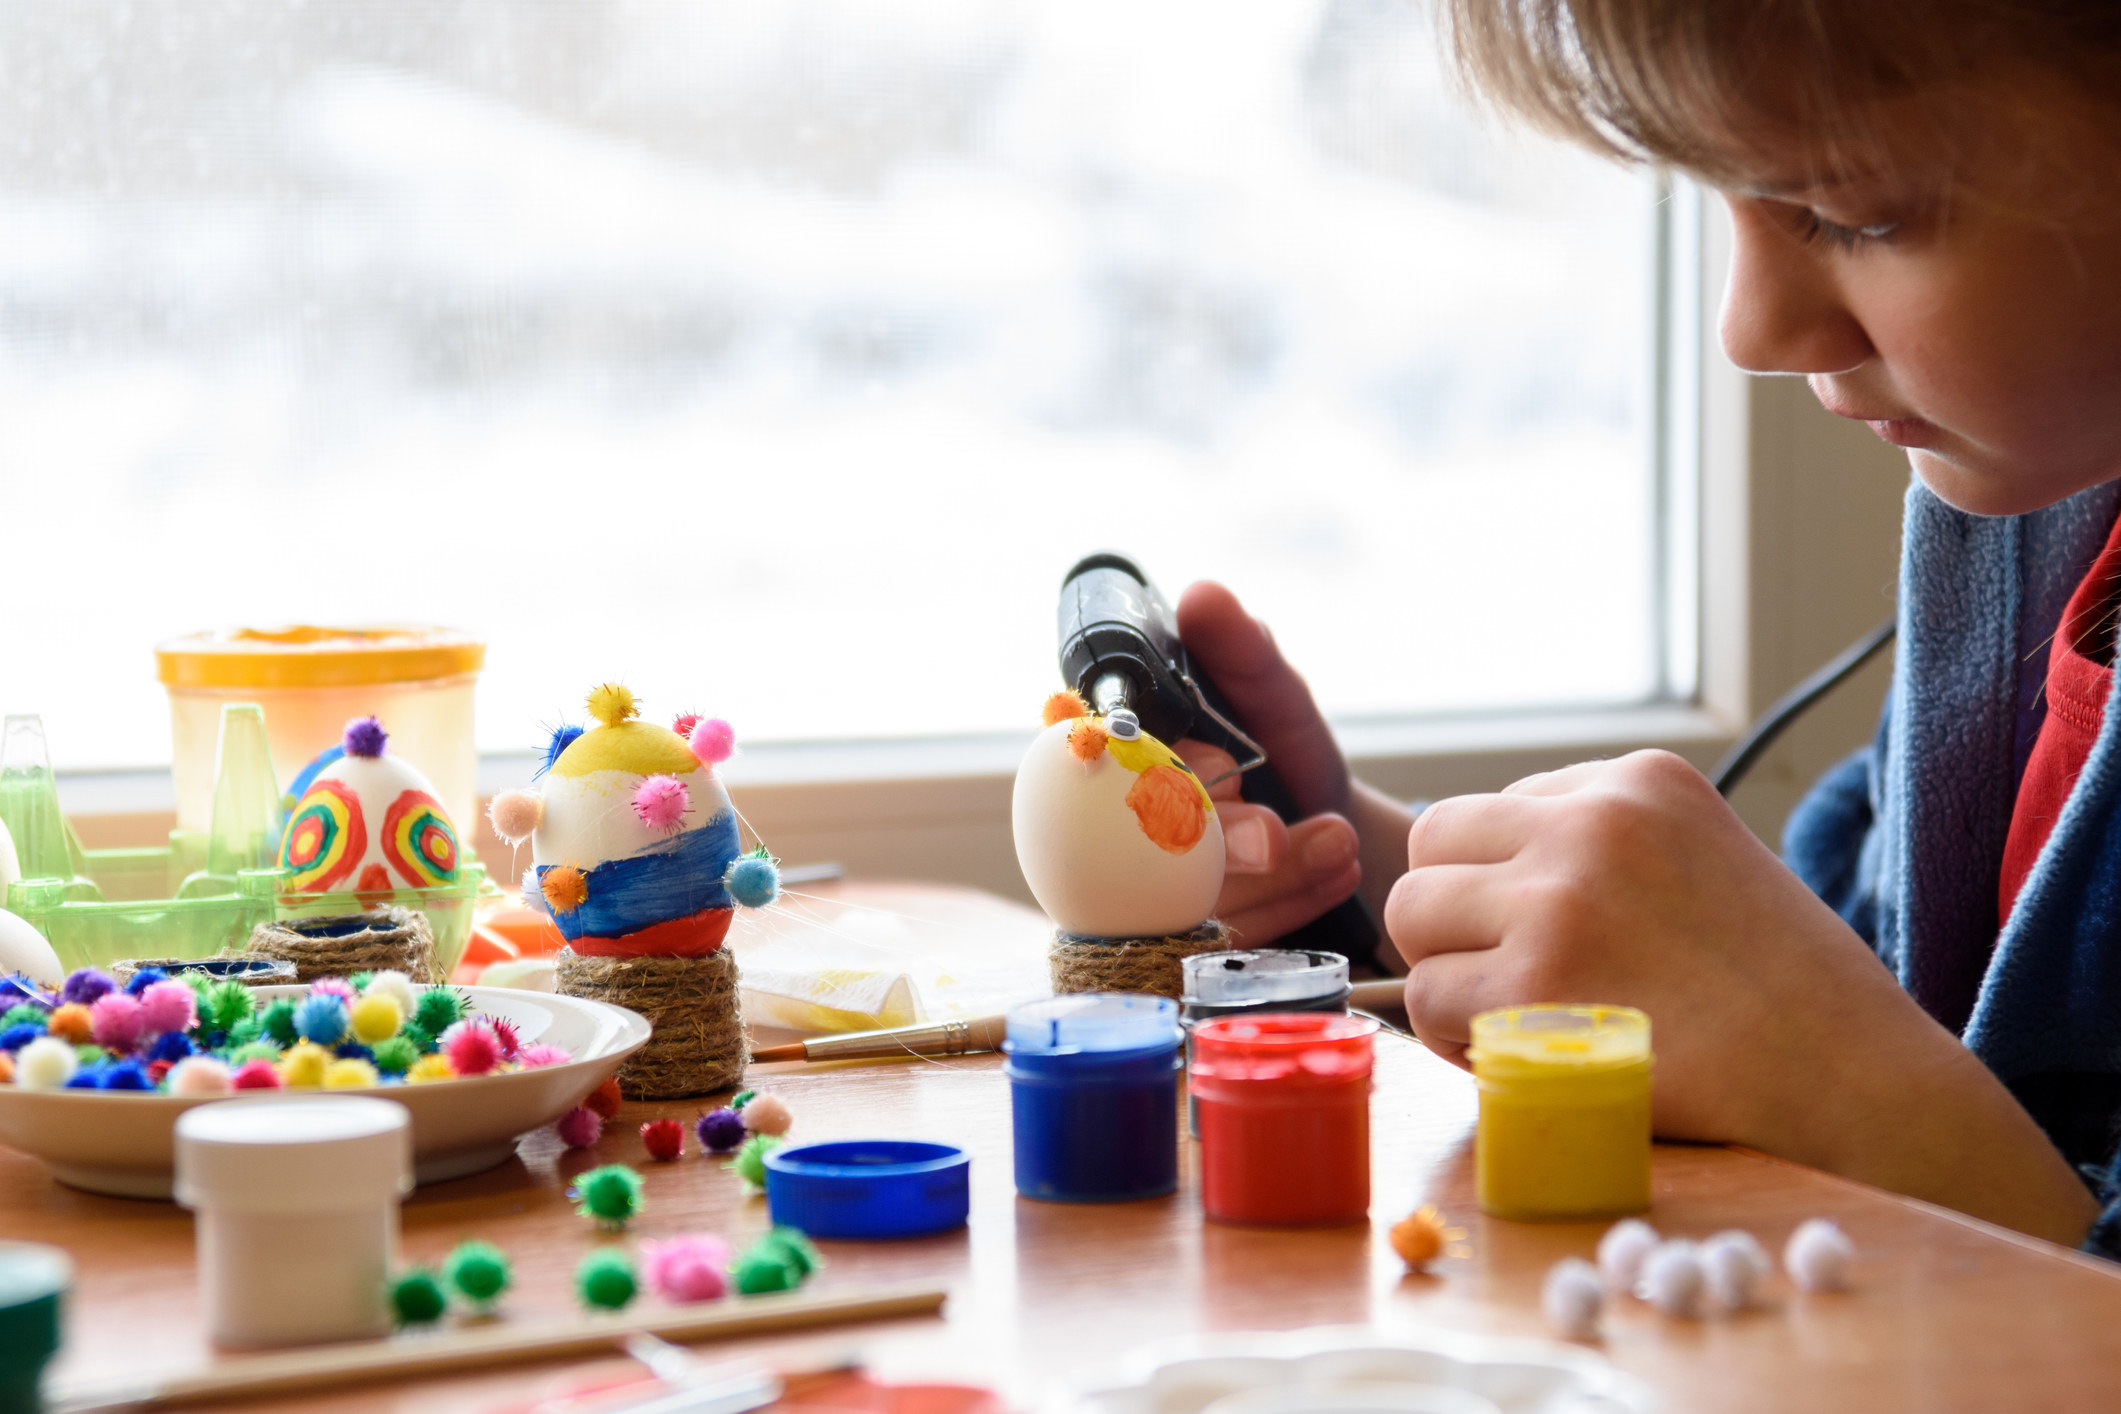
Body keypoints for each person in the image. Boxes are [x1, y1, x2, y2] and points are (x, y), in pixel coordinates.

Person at [1174, 0, 2121, 1254]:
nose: (1751, 330)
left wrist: (1846, 1080)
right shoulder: (2038, 547)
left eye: (1854, 212)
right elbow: (1863, 987)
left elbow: (1866, 1065)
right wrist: (1381, 879)